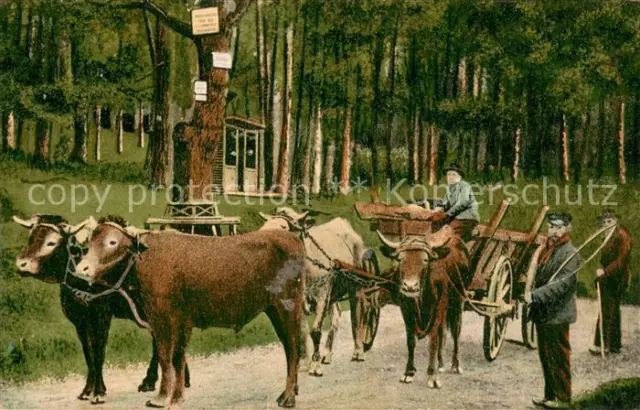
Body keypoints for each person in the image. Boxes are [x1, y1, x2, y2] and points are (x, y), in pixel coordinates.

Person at [525, 212, 580, 410]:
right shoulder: (547, 250)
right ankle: (550, 396)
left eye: (558, 227)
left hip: (558, 314)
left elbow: (561, 285)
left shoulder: (570, 253)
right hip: (544, 314)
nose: (554, 232)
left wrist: (534, 296)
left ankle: (564, 399)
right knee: (546, 357)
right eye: (551, 227)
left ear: (567, 229)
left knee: (559, 357)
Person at [589, 209, 632, 355]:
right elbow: (605, 258)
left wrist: (605, 271)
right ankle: (614, 345)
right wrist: (602, 270)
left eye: (610, 221)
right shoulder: (607, 236)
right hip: (609, 277)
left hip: (617, 278)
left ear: (615, 221)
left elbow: (621, 261)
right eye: (604, 222)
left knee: (607, 310)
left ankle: (603, 346)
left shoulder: (622, 236)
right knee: (612, 309)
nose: (606, 224)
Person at [430, 164, 479, 242]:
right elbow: (445, 204)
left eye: (454, 174)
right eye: (448, 174)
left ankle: (456, 248)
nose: (451, 177)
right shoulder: (449, 188)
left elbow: (463, 202)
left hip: (466, 218)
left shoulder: (464, 186)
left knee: (449, 232)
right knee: (435, 224)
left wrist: (448, 214)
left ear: (460, 176)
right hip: (454, 216)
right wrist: (439, 210)